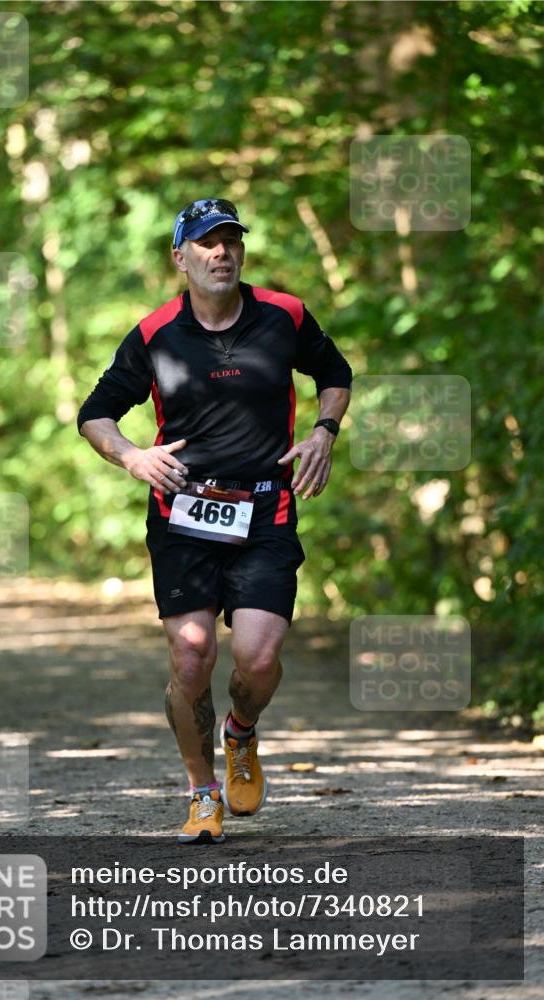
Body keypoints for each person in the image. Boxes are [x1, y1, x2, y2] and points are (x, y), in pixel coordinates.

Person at [78, 198, 351, 843]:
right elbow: (95, 413)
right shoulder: (153, 334)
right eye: (205, 243)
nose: (221, 253)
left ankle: (241, 733)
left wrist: (324, 432)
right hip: (183, 510)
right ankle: (203, 793)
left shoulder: (284, 315)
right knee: (192, 655)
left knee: (257, 659)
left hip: (265, 508)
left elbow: (334, 373)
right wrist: (132, 457)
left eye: (231, 241)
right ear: (181, 257)